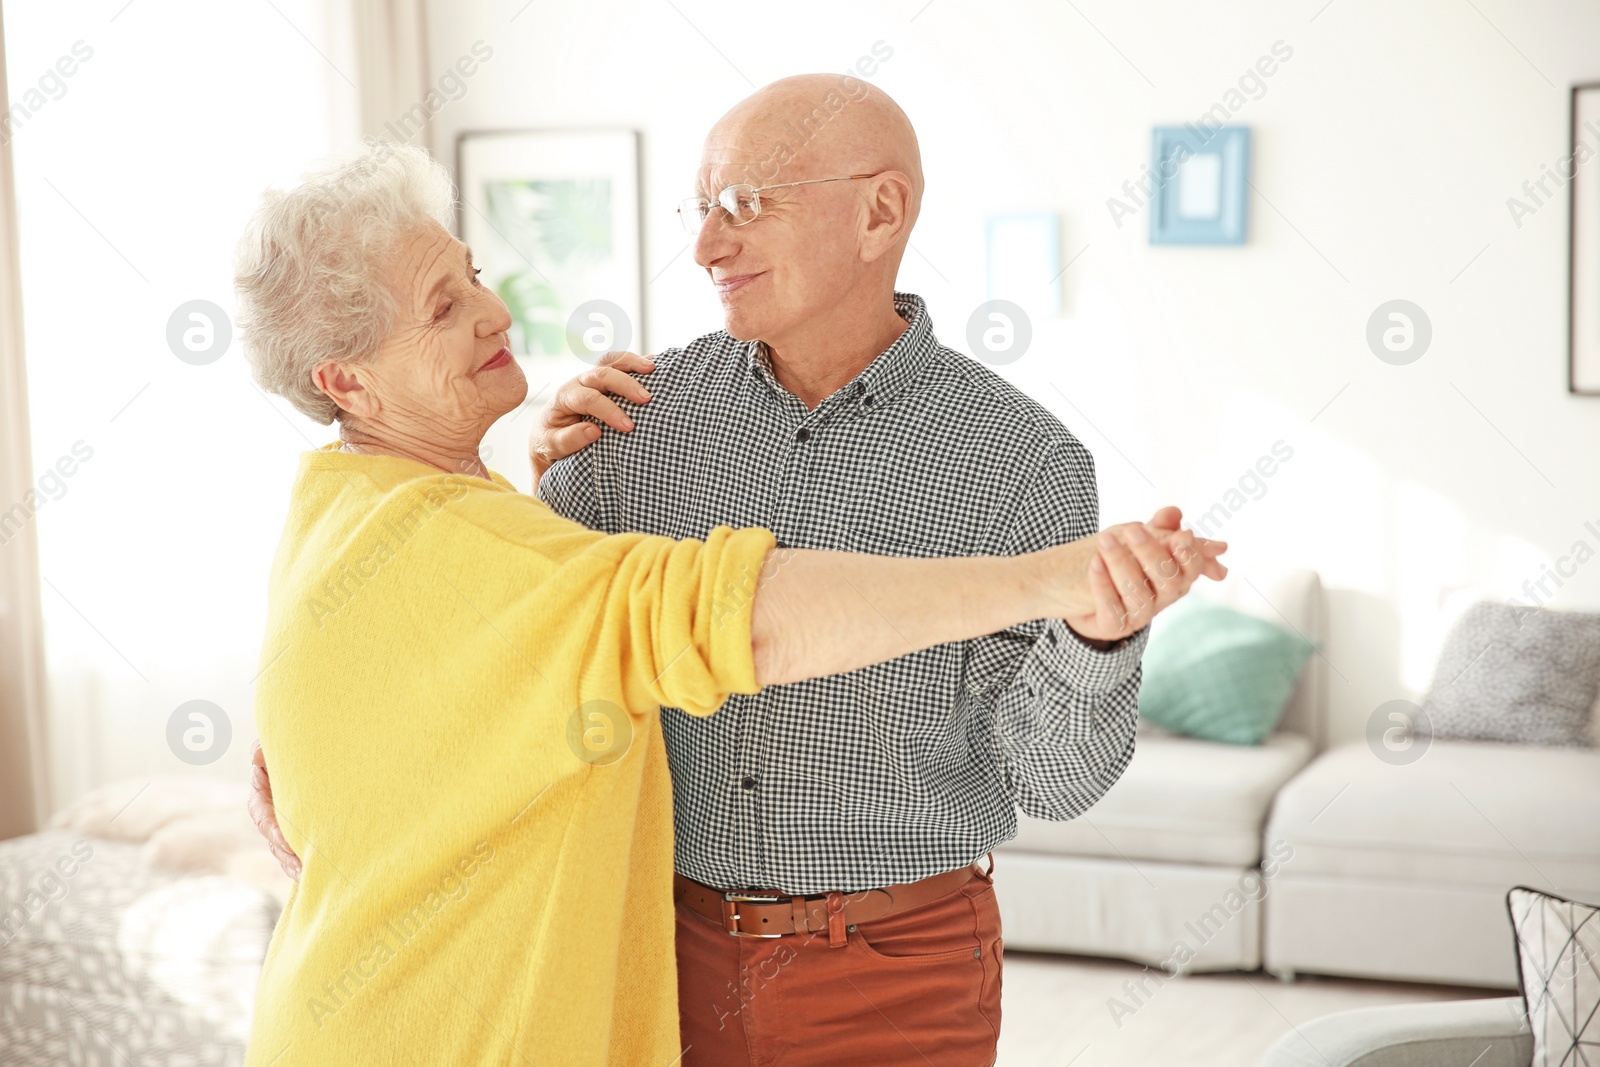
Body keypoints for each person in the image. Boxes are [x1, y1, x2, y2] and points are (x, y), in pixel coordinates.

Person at [234, 141, 1226, 1066]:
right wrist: (1057, 574)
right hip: (614, 972)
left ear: (880, 211)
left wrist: (1097, 626)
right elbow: (710, 615)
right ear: (345, 381)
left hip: (890, 963)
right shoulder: (627, 428)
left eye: (744, 204)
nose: (704, 242)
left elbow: (496, 671)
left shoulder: (1019, 459)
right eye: (442, 307)